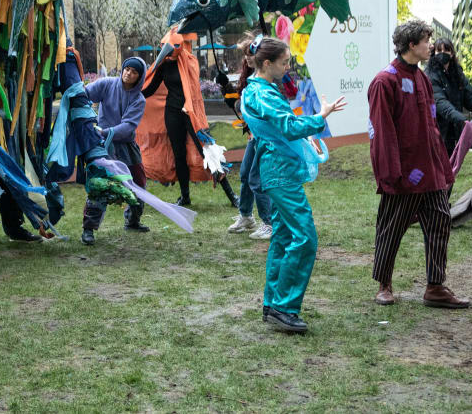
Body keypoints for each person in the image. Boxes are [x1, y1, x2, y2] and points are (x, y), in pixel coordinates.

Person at [241, 37, 346, 334]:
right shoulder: (262, 93)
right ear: (267, 64)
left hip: (279, 169)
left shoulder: (260, 90)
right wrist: (320, 118)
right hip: (279, 172)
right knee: (305, 236)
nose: (288, 67)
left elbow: (283, 125)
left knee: (286, 236)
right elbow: (288, 126)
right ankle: (284, 307)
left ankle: (274, 304)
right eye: (285, 62)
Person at [367, 19, 470, 310]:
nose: (431, 46)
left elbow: (431, 127)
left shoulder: (423, 79)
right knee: (391, 227)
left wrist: (442, 166)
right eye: (426, 41)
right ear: (412, 45)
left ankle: (435, 286)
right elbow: (382, 132)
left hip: (431, 172)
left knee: (439, 222)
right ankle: (384, 285)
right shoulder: (384, 81)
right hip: (403, 175)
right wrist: (391, 173)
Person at [140, 31, 238, 208]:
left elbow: (192, 90)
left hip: (191, 114)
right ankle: (185, 196)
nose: (168, 51)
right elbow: (150, 89)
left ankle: (232, 196)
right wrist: (128, 92)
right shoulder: (163, 65)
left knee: (208, 151)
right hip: (173, 113)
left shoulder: (190, 61)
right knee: (179, 155)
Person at [80, 57, 150, 246]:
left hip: (126, 146)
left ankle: (133, 220)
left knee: (138, 183)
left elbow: (128, 126)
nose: (129, 73)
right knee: (100, 186)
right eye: (127, 69)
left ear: (139, 77)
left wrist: (106, 131)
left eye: (134, 72)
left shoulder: (138, 99)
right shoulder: (106, 84)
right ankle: (89, 229)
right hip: (103, 146)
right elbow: (84, 95)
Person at [223, 34, 274, 241]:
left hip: (265, 136)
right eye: (245, 55)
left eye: (251, 53)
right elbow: (242, 108)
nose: (248, 58)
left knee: (256, 178)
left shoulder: (267, 79)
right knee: (245, 174)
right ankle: (246, 215)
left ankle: (269, 222)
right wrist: (227, 91)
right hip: (254, 135)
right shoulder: (250, 79)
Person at [426, 38, 472, 157]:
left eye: (446, 50)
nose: (442, 53)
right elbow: (440, 102)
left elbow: (471, 100)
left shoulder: (457, 74)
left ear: (451, 53)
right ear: (434, 53)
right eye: (439, 50)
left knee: (451, 171)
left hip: (454, 133)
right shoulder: (430, 75)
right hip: (436, 132)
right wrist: (460, 118)